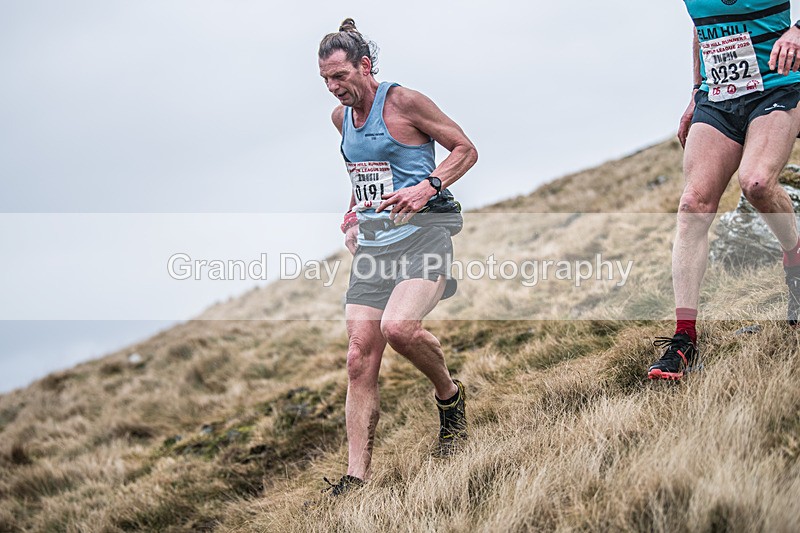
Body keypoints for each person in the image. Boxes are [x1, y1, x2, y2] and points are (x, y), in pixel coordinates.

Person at [317, 19, 478, 494]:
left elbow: (465, 149)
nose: (333, 88)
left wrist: (427, 188)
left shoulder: (404, 102)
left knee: (399, 328)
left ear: (365, 66)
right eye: (325, 80)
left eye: (340, 76)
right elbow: (362, 178)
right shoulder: (339, 119)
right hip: (373, 249)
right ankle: (356, 478)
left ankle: (449, 398)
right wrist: (351, 218)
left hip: (425, 236)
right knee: (357, 357)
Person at [648, 1, 800, 381]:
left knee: (757, 183)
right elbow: (701, 27)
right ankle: (684, 341)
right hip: (718, 97)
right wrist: (696, 90)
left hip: (778, 88)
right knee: (692, 205)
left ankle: (795, 258)